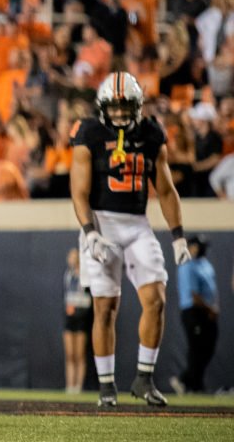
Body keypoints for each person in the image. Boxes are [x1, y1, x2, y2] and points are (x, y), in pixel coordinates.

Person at [69, 71, 191, 408]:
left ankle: (144, 378)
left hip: (137, 223)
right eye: (115, 107)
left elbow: (165, 188)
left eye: (126, 107)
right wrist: (90, 232)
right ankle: (107, 386)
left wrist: (178, 236)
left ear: (138, 106)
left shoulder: (151, 133)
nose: (121, 114)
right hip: (101, 221)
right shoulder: (89, 132)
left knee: (156, 299)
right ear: (102, 107)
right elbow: (78, 191)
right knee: (105, 307)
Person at [170, 235, 219, 394]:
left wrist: (213, 308)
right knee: (196, 347)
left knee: (207, 347)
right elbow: (194, 295)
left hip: (208, 311)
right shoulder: (187, 265)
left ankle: (192, 382)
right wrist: (210, 309)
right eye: (199, 246)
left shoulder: (205, 264)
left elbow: (211, 289)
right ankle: (188, 382)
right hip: (194, 311)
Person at [63, 248, 92, 394]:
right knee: (70, 354)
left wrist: (76, 306)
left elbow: (88, 299)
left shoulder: (85, 276)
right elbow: (67, 295)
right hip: (69, 319)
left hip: (81, 318)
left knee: (79, 354)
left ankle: (78, 386)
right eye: (70, 256)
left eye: (73, 256)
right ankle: (70, 385)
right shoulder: (68, 275)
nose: (71, 259)